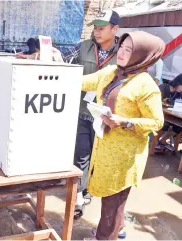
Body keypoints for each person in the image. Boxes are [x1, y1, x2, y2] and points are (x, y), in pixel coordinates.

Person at [81, 31, 165, 240]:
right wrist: (53, 68)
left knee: (114, 199)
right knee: (112, 197)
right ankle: (118, 228)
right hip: (105, 148)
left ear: (142, 55)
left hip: (125, 156)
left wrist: (125, 121)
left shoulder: (146, 85)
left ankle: (104, 236)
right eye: (122, 47)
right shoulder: (112, 72)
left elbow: (157, 122)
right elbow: (84, 81)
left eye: (130, 50)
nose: (122, 53)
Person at [60, 10, 121, 219]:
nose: (97, 31)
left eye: (102, 28)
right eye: (95, 27)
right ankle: (78, 196)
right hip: (82, 112)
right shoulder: (83, 47)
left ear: (115, 29)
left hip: (108, 117)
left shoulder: (124, 52)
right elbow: (63, 62)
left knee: (100, 158)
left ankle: (91, 190)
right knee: (81, 154)